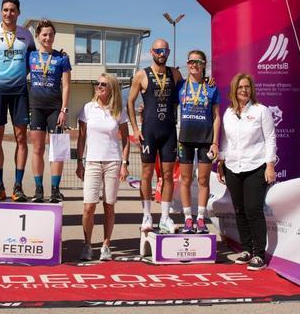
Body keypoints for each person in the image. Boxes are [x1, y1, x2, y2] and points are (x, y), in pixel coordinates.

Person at [0, 0, 36, 202]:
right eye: (5, 10)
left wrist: (21, 75)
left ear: (18, 12)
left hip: (20, 92)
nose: (8, 13)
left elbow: (33, 61)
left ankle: (17, 187)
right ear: (0, 12)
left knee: (21, 138)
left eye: (12, 10)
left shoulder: (26, 35)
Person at [216, 73, 277, 271]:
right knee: (239, 210)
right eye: (241, 87)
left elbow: (270, 139)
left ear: (252, 90)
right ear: (234, 90)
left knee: (253, 209)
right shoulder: (228, 113)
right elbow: (225, 140)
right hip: (233, 167)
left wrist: (270, 165)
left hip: (255, 166)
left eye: (247, 87)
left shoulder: (261, 111)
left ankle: (259, 254)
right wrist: (221, 162)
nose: (244, 90)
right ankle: (247, 249)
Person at [127, 39, 182, 233]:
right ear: (151, 52)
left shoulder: (174, 73)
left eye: (165, 50)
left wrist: (208, 81)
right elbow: (130, 102)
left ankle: (165, 217)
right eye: (158, 50)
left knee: (167, 174)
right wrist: (135, 128)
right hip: (149, 131)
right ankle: (147, 216)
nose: (162, 53)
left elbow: (188, 90)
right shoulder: (142, 75)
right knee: (146, 173)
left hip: (168, 132)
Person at [76, 74, 130, 261]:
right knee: (89, 206)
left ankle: (106, 245)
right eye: (97, 83)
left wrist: (124, 164)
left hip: (113, 162)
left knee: (109, 206)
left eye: (103, 84)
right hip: (91, 162)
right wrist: (79, 162)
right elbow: (81, 138)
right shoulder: (87, 109)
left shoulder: (119, 111)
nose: (99, 86)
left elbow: (125, 140)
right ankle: (87, 245)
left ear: (112, 88)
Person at [175, 50, 221, 234]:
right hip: (185, 138)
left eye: (198, 62)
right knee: (185, 179)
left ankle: (201, 219)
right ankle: (187, 218)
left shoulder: (211, 87)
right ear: (187, 64)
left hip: (205, 139)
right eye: (191, 61)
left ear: (204, 65)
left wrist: (215, 142)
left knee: (203, 180)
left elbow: (217, 116)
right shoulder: (180, 86)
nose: (194, 65)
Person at [27, 19, 71, 203]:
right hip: (36, 107)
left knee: (57, 151)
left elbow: (67, 86)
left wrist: (64, 110)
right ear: (38, 36)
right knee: (37, 149)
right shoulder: (30, 56)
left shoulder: (62, 58)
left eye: (51, 34)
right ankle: (38, 190)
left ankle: (54, 190)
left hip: (55, 109)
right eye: (44, 34)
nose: (47, 38)